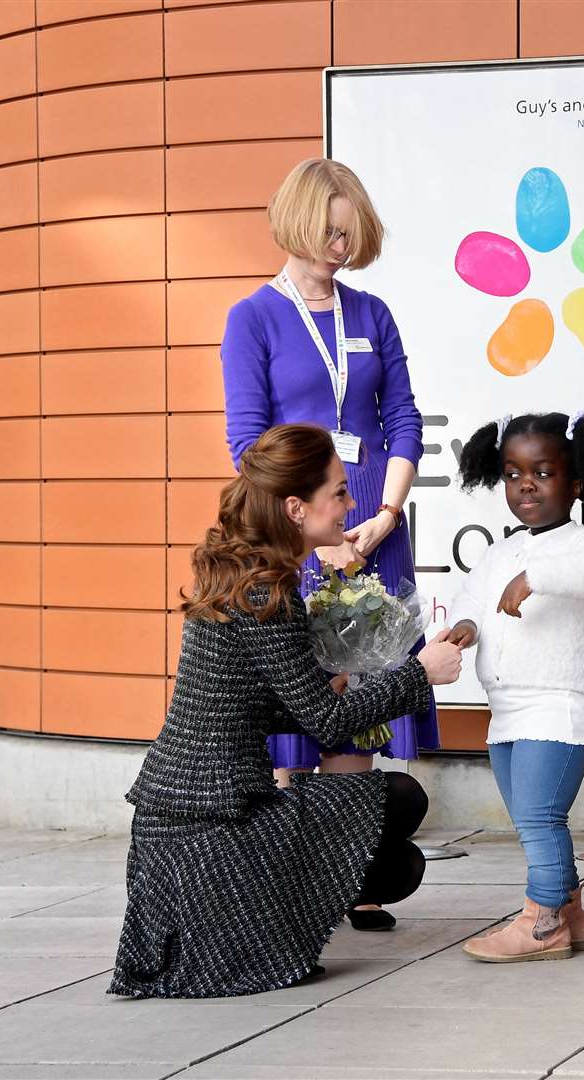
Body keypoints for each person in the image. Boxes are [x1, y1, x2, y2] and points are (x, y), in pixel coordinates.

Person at [109, 424, 464, 998]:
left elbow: (258, 708)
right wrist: (419, 673)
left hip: (183, 829)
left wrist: (333, 684)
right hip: (208, 836)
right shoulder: (266, 590)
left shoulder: (249, 573)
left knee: (394, 849)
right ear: (297, 508)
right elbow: (324, 725)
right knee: (399, 832)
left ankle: (270, 923)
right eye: (341, 492)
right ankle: (258, 930)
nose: (352, 504)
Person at [221, 158, 435, 932]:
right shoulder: (253, 318)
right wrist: (316, 536)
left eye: (351, 233)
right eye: (329, 232)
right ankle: (294, 880)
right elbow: (248, 442)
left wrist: (385, 511)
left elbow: (405, 417)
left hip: (375, 524)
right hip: (300, 534)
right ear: (298, 222)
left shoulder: (373, 313)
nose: (340, 247)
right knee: (302, 705)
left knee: (364, 705)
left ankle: (355, 874)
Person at [446, 411, 584, 963]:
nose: (525, 484)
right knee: (533, 816)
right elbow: (473, 600)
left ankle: (541, 922)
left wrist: (535, 578)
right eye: (512, 473)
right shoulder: (500, 553)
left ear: (575, 484)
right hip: (506, 713)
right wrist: (465, 628)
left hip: (557, 709)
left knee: (539, 818)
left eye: (543, 472)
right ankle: (571, 914)